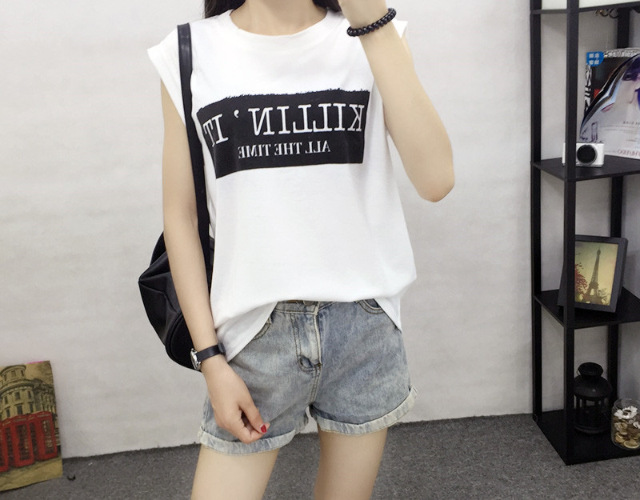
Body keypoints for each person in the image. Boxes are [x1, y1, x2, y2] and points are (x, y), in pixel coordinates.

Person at [148, 0, 454, 498]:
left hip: (363, 326)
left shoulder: (377, 34)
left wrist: (373, 24)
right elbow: (180, 216)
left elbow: (436, 180)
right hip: (253, 334)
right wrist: (210, 359)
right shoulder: (188, 51)